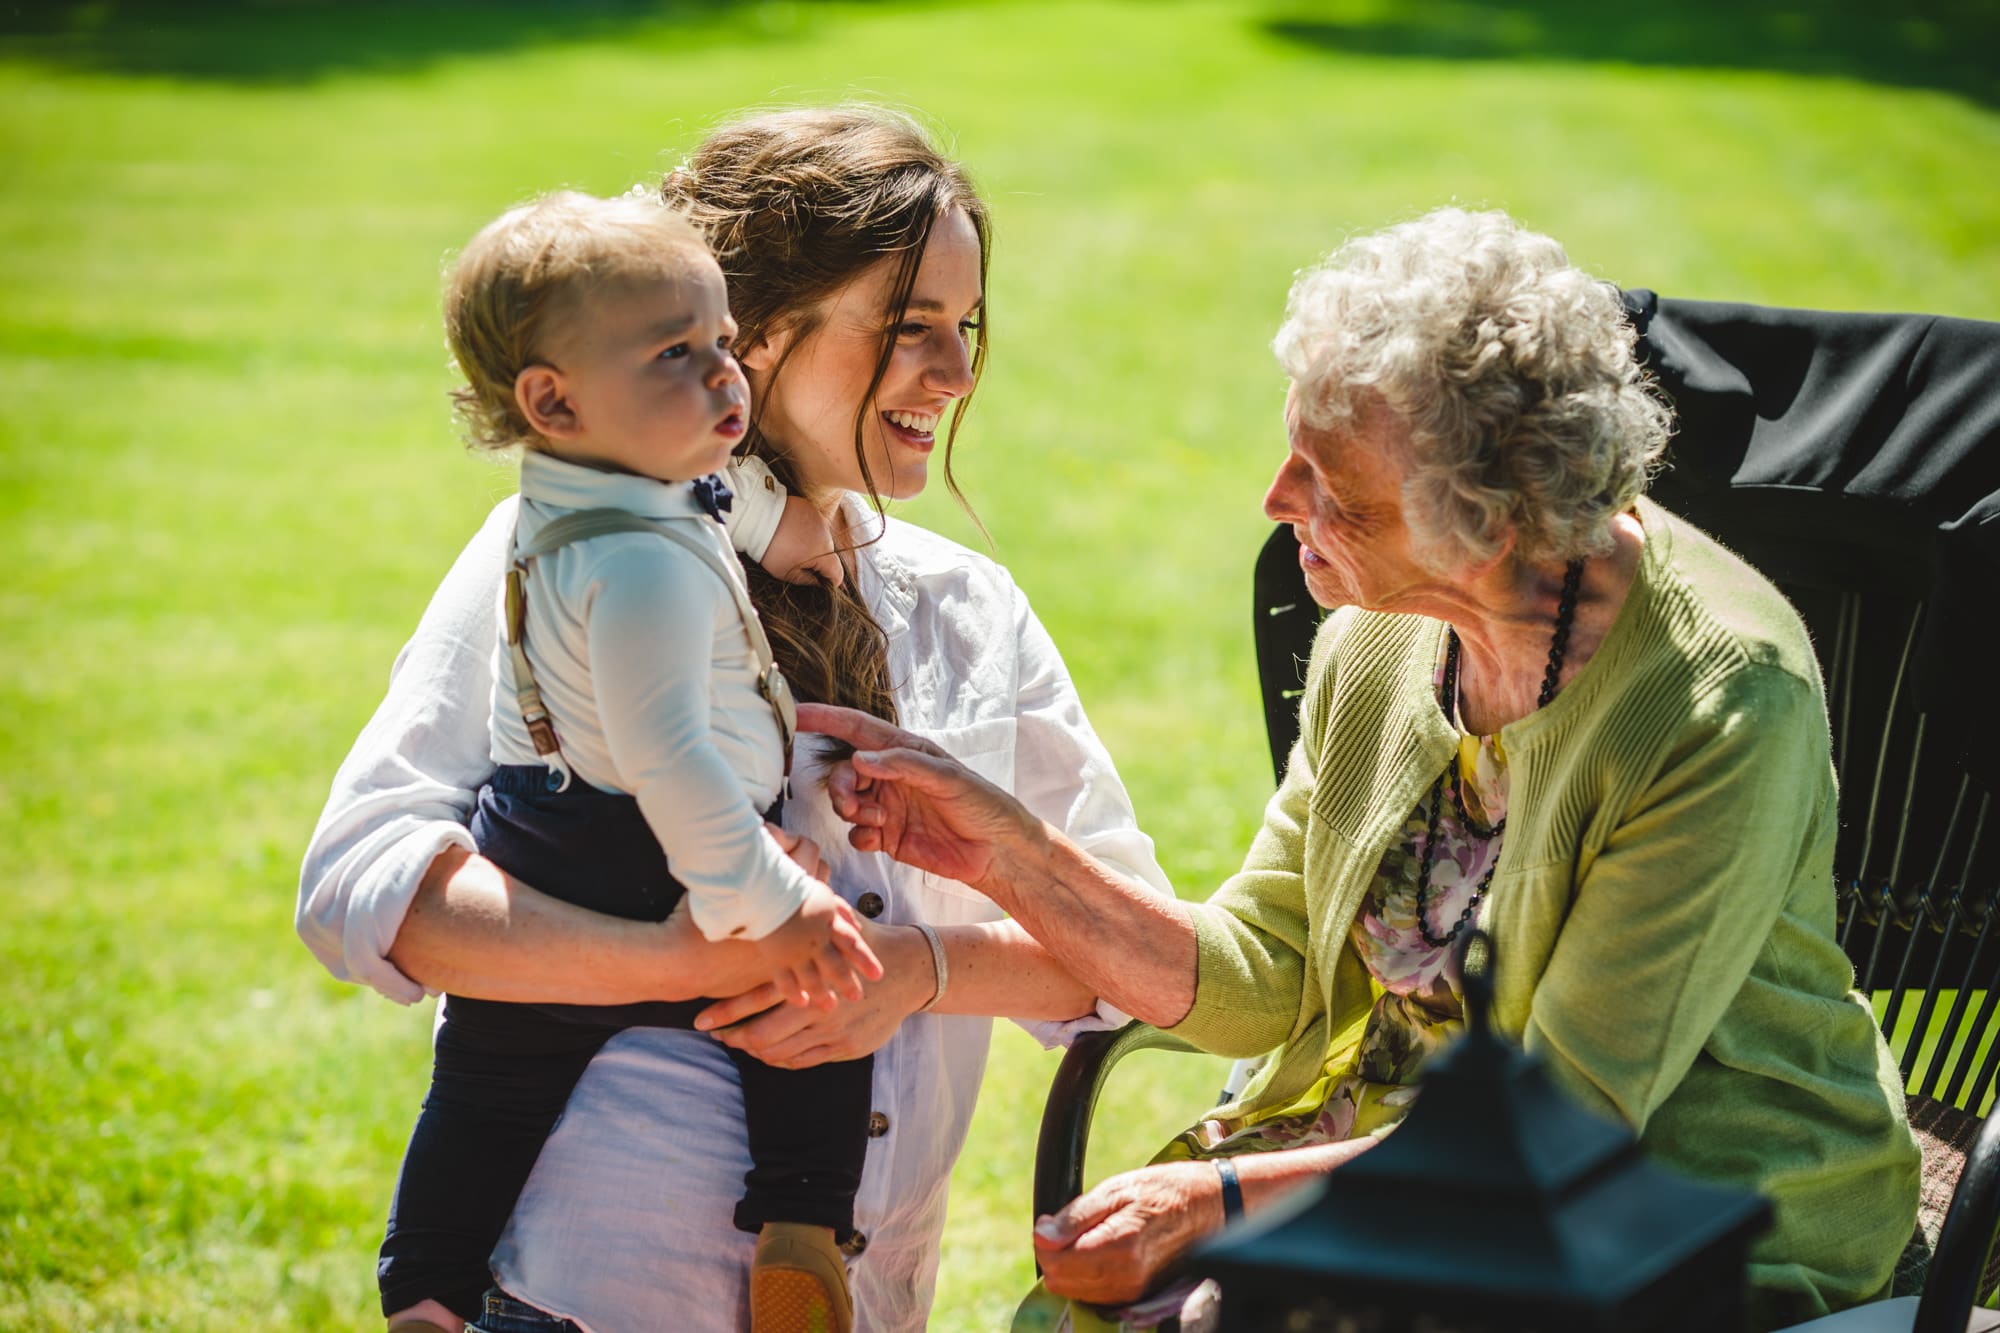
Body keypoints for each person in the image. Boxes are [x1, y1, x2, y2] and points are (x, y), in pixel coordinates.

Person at [805, 209, 1923, 1332]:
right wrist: (1007, 853)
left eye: (1332, 482)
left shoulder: (1713, 703)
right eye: (1291, 447)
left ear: (1484, 526)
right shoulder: (1385, 627)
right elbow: (1264, 969)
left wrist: (1218, 1199)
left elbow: (1561, 1128)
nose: (1277, 499)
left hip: (1677, 1216)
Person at [297, 106, 1173, 1333]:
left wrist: (905, 976)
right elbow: (360, 885)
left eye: (966, 328)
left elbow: (1125, 961)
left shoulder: (969, 608)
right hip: (584, 1295)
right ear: (753, 336)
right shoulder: (574, 551)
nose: (959, 373)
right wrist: (684, 957)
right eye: (908, 326)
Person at [378, 190, 890, 1333]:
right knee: (808, 1006)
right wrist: (765, 896)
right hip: (646, 838)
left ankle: (425, 1283)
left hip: (535, 823)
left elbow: (720, 497)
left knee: (489, 1079)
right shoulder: (640, 566)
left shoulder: (585, 494)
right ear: (552, 398)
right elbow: (670, 761)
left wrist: (785, 531)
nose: (725, 382)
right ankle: (801, 1221)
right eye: (676, 354)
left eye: (721, 344)